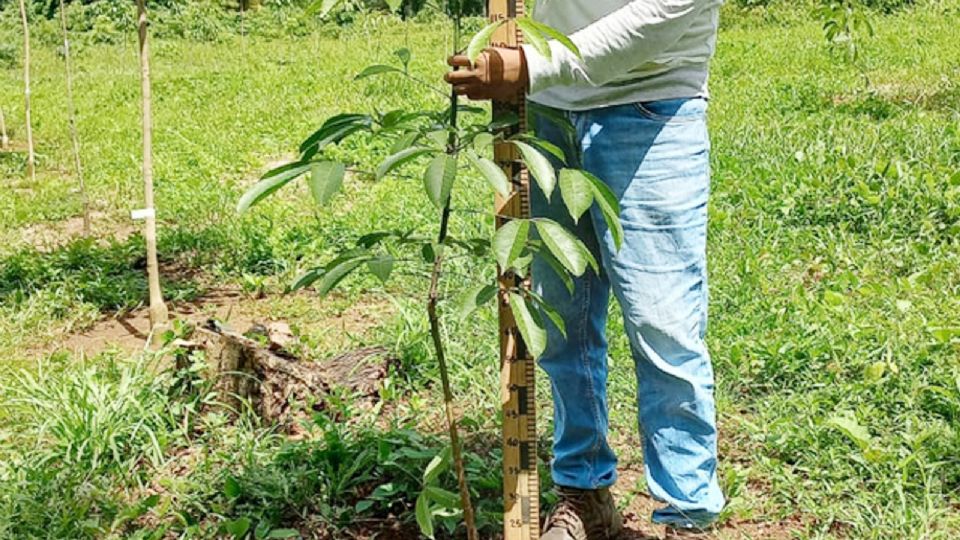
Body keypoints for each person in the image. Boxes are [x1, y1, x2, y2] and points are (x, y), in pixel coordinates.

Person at [445, 1, 726, 538]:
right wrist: (529, 73)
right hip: (547, 111)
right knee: (562, 323)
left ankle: (687, 518)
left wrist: (529, 67)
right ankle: (585, 494)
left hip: (650, 103)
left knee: (663, 328)